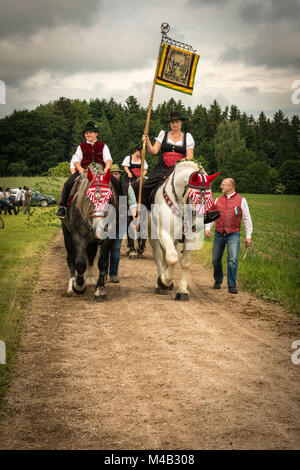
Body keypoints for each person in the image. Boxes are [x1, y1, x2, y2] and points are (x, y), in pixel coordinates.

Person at [205, 178, 253, 294]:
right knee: (215, 259)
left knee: (232, 260)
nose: (221, 187)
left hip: (233, 234)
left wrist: (248, 235)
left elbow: (246, 219)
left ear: (231, 186)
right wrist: (208, 228)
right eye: (221, 185)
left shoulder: (241, 200)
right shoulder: (218, 200)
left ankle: (231, 285)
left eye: (224, 185)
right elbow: (212, 215)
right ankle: (218, 280)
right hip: (219, 233)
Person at [56, 121, 112, 218]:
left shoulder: (103, 146)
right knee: (68, 183)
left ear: (96, 133)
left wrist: (106, 169)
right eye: (86, 133)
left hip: (100, 171)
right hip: (85, 170)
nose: (88, 134)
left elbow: (108, 159)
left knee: (117, 183)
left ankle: (121, 207)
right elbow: (76, 161)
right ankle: (63, 206)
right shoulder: (81, 146)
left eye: (90, 132)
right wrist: (80, 169)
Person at [142, 111, 194, 208]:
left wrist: (178, 164)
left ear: (181, 122)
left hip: (180, 169)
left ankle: (196, 214)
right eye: (172, 122)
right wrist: (148, 142)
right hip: (162, 167)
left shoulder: (188, 137)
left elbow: (190, 157)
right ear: (170, 124)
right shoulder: (163, 134)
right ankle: (147, 212)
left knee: (195, 188)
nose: (175, 124)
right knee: (145, 186)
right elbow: (153, 151)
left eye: (177, 122)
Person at [104, 164, 138, 283]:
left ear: (119, 174)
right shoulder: (105, 186)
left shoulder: (126, 186)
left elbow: (133, 203)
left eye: (117, 173)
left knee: (116, 248)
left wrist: (134, 219)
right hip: (106, 221)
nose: (115, 175)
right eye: (112, 174)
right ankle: (103, 272)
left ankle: (113, 273)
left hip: (121, 220)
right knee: (104, 248)